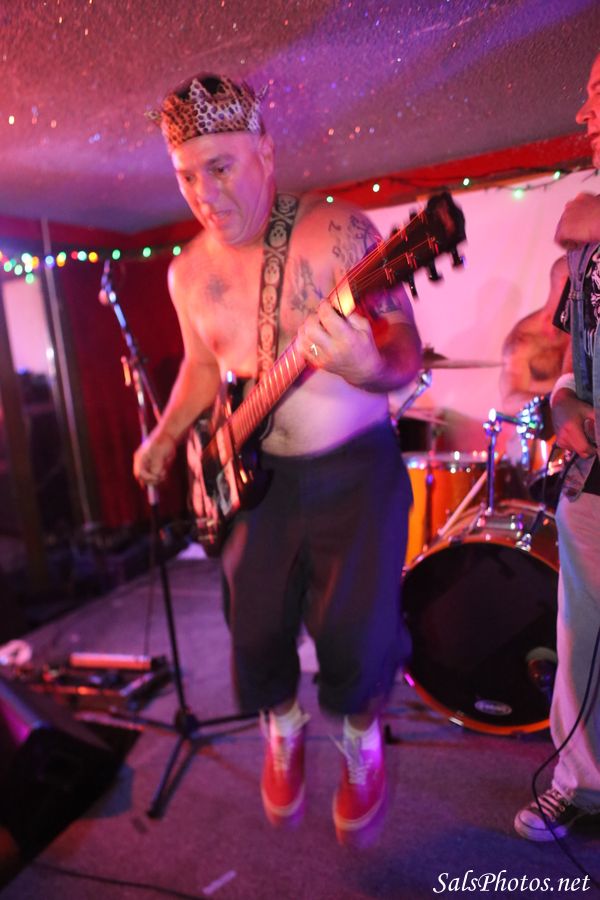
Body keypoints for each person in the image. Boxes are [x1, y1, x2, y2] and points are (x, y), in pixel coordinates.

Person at [133, 74, 422, 845]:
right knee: (253, 627)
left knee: (355, 634)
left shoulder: (337, 233)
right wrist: (166, 438)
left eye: (220, 167)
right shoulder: (185, 272)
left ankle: (359, 742)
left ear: (265, 150)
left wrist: (366, 364)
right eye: (186, 175)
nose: (204, 194)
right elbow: (203, 368)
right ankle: (283, 724)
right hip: (257, 482)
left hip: (354, 471)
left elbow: (405, 351)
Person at [513, 53, 600, 842]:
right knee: (581, 639)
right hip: (594, 476)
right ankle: (582, 787)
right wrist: (562, 398)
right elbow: (566, 350)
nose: (584, 115)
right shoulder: (583, 232)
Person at [499, 255, 571, 415]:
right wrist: (557, 401)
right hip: (563, 409)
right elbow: (509, 402)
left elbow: (561, 270)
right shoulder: (523, 342)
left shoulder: (577, 317)